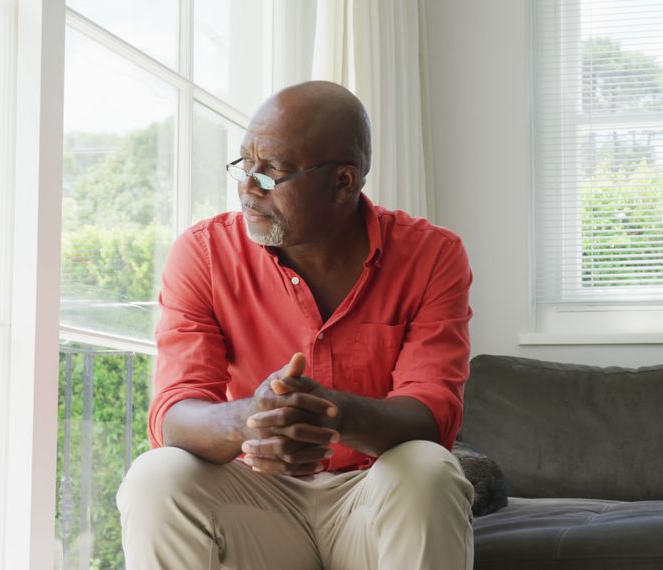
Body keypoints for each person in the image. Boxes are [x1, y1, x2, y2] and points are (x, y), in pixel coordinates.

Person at [117, 80, 474, 570]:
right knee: (156, 477)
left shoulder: (432, 255)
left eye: (271, 172)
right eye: (245, 164)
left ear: (343, 182)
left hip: (369, 496)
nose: (248, 185)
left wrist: (331, 414)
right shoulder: (204, 253)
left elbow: (432, 418)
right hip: (256, 499)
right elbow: (175, 412)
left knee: (430, 470)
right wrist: (251, 419)